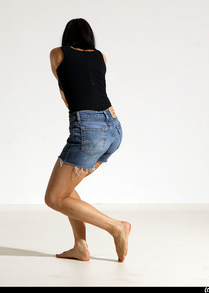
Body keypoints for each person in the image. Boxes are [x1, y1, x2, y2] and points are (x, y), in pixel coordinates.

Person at [44, 18, 131, 262]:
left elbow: (66, 95)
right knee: (66, 191)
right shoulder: (100, 57)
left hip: (89, 130)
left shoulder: (57, 54)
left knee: (54, 198)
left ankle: (116, 227)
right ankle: (80, 247)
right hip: (114, 129)